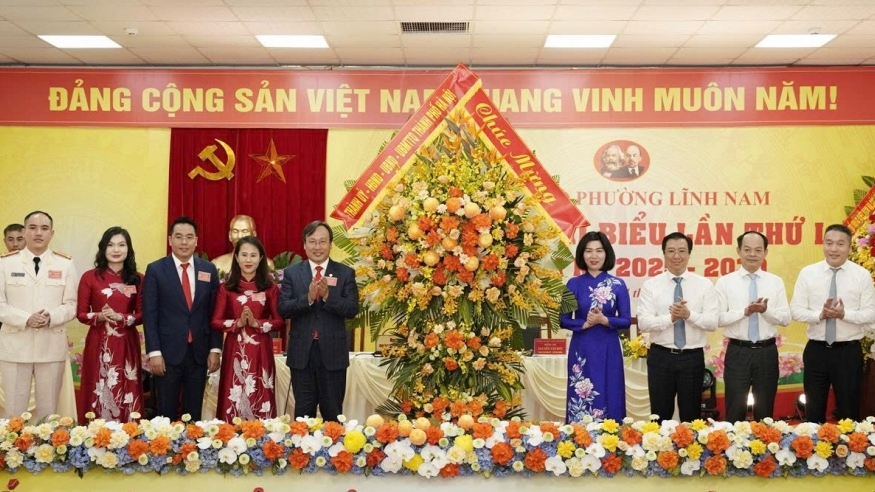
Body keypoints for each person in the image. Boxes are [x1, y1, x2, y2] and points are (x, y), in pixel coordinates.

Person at [790, 224, 875, 423]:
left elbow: (871, 313)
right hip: (816, 351)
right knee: (813, 412)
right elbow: (795, 310)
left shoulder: (861, 275)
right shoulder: (808, 273)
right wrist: (820, 315)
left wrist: (844, 314)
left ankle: (851, 444)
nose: (833, 249)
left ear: (850, 248)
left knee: (849, 412)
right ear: (823, 245)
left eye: (840, 244)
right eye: (829, 243)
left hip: (848, 353)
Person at [278, 221, 358, 422]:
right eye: (312, 241)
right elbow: (283, 308)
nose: (317, 247)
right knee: (303, 417)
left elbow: (351, 310)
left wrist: (329, 296)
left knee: (333, 414)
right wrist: (308, 298)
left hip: (333, 354)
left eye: (322, 242)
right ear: (304, 245)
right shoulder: (292, 273)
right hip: (302, 354)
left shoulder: (345, 273)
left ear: (330, 244)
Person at [0, 211, 77, 419]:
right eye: (32, 228)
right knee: (13, 413)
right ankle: (13, 442)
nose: (38, 233)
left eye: (44, 228)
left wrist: (51, 317)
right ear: (24, 231)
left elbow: (72, 305)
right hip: (15, 346)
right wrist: (26, 319)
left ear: (52, 233)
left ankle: (48, 442)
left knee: (49, 413)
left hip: (50, 346)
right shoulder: (5, 263)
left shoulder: (65, 263)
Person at [143, 216, 221, 420]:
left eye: (189, 237)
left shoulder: (208, 269)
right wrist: (154, 352)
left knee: (193, 412)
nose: (184, 242)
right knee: (165, 412)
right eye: (178, 237)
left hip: (199, 352)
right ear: (170, 240)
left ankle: (192, 442)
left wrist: (215, 349)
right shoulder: (156, 270)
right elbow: (150, 314)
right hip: (167, 353)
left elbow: (214, 312)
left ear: (196, 240)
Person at [638, 232, 718, 423]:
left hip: (692, 358)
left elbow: (712, 322)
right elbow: (644, 323)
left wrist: (689, 315)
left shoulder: (704, 285)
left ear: (689, 254)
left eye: (682, 251)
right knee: (659, 415)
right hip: (661, 356)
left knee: (691, 417)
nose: (676, 256)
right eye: (671, 251)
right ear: (664, 254)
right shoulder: (651, 285)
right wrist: (671, 318)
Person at [715, 231, 790, 422]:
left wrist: (765, 311)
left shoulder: (775, 282)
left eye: (758, 250)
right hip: (738, 351)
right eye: (747, 249)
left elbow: (785, 318)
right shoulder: (725, 282)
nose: (752, 254)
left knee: (765, 411)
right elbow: (718, 319)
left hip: (767, 352)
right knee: (734, 409)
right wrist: (745, 312)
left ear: (765, 252)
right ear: (738, 251)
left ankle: (764, 441)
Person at [560, 231, 630, 422]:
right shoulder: (573, 284)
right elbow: (563, 320)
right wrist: (585, 323)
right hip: (581, 348)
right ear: (582, 254)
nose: (594, 256)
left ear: (607, 254)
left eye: (599, 251)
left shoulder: (618, 284)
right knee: (581, 394)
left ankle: (611, 435)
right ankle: (579, 435)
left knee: (610, 390)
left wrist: (604, 320)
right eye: (588, 251)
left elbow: (626, 320)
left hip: (609, 348)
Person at [76, 226, 144, 424]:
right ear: (103, 248)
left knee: (127, 384)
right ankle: (95, 433)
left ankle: (128, 432)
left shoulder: (138, 278)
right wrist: (101, 316)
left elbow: (142, 315)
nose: (116, 250)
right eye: (110, 245)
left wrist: (120, 317)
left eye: (121, 245)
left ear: (128, 249)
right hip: (99, 341)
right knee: (97, 384)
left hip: (126, 343)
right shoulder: (90, 277)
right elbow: (81, 314)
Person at [211, 236, 282, 421]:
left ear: (261, 258)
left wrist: (258, 323)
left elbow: (279, 321)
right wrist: (238, 323)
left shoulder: (271, 288)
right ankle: (229, 434)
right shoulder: (226, 288)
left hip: (261, 351)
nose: (248, 260)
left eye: (253, 255)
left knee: (260, 392)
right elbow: (215, 322)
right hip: (235, 349)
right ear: (236, 258)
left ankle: (261, 435)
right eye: (244, 255)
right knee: (233, 394)